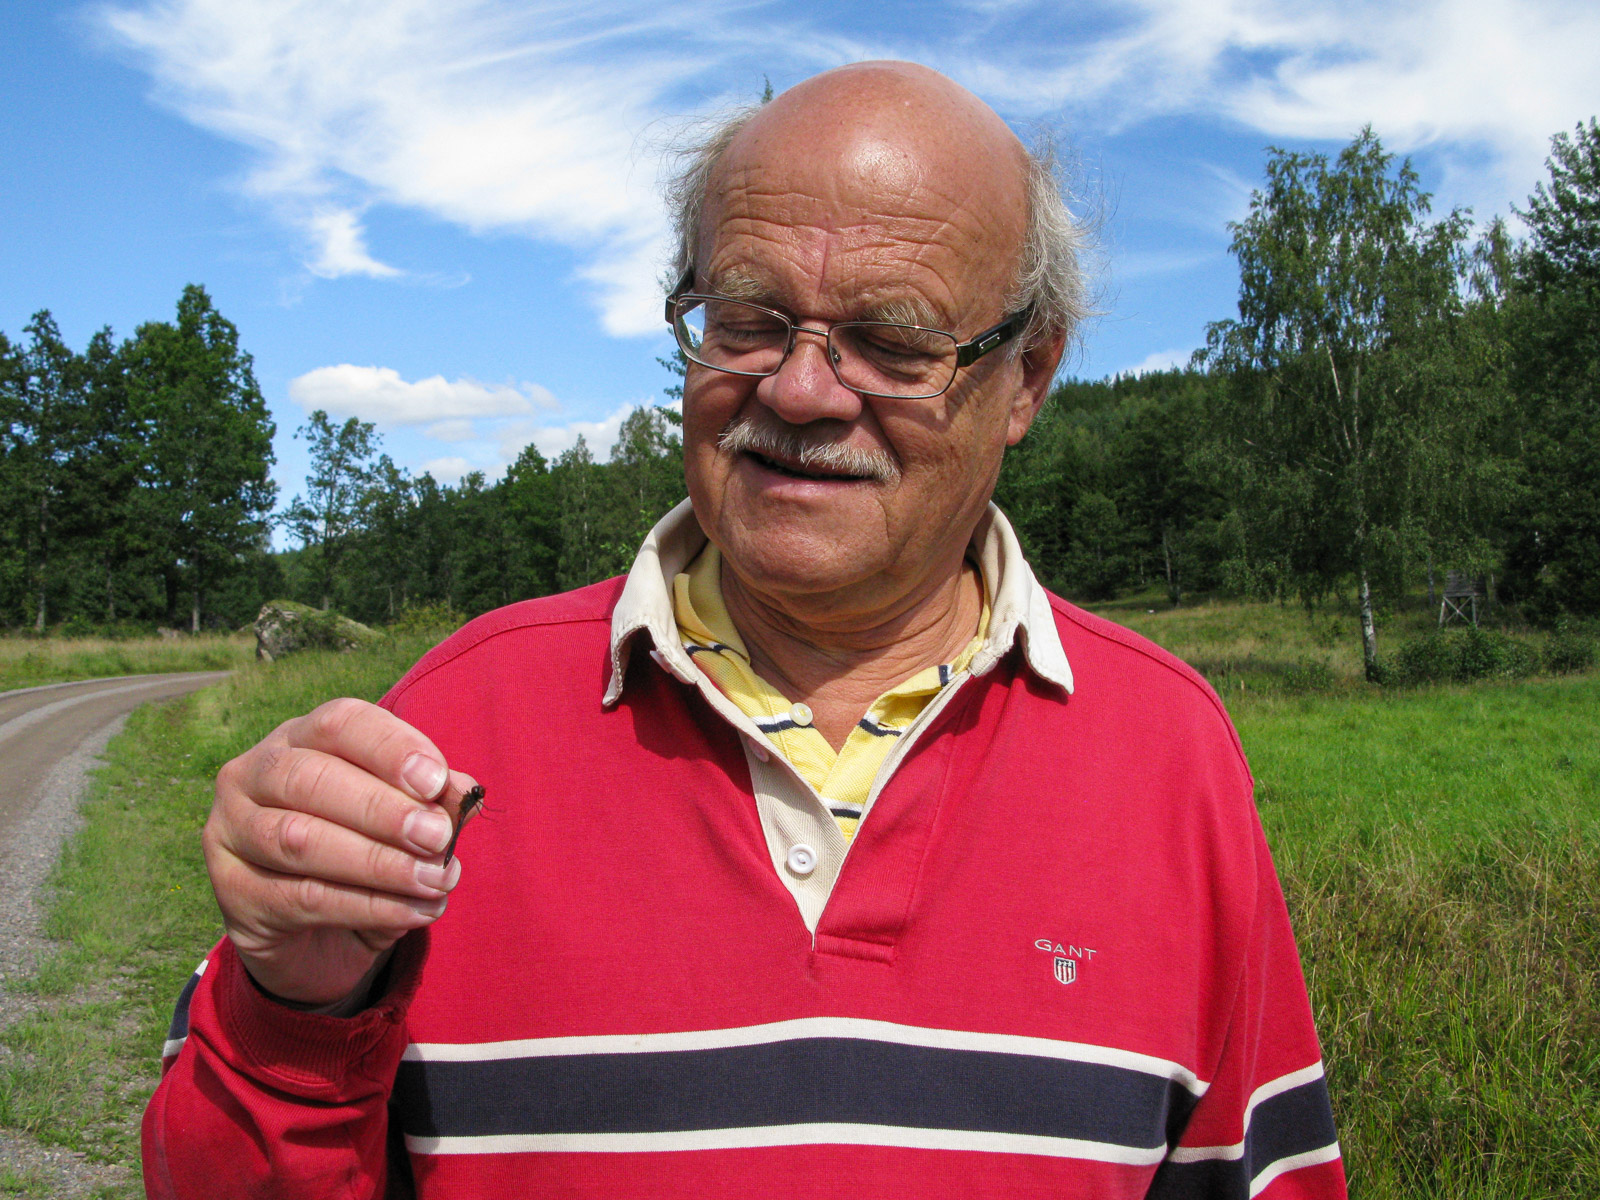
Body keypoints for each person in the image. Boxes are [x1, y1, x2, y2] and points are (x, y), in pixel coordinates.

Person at [142, 62, 1346, 1199]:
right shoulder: (450, 732)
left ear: (1026, 378)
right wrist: (287, 1015)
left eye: (891, 341)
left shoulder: (1167, 755)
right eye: (747, 318)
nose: (800, 389)